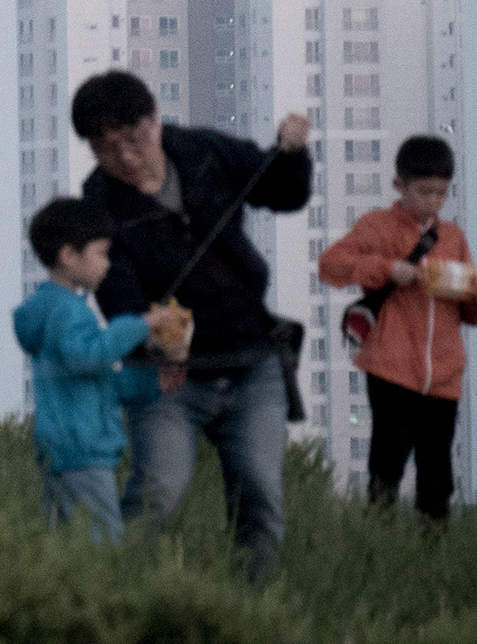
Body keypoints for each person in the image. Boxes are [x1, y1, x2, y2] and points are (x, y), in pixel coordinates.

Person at [74, 70, 310, 579]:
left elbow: (283, 192)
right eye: (107, 149)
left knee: (260, 495)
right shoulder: (99, 209)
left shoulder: (203, 151)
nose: (126, 157)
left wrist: (292, 153)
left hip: (252, 359)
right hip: (170, 378)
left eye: (134, 139)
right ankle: (115, 598)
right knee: (157, 493)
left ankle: (253, 608)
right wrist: (155, 336)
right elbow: (120, 303)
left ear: (155, 121)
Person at [319, 133, 477, 520]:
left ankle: (432, 546)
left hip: (443, 374)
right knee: (387, 464)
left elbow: (470, 314)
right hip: (391, 366)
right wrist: (388, 269)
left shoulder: (453, 237)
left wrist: (468, 289)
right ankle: (377, 539)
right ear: (399, 185)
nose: (432, 201)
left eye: (441, 193)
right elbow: (331, 265)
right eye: (424, 192)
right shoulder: (377, 226)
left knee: (437, 472)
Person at [14, 198, 170, 544]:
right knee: (102, 549)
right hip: (85, 452)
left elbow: (95, 380)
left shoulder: (50, 311)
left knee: (63, 549)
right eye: (101, 253)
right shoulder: (68, 312)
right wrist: (140, 324)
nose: (107, 264)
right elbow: (88, 357)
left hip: (60, 452)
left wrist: (151, 381)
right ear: (69, 256)